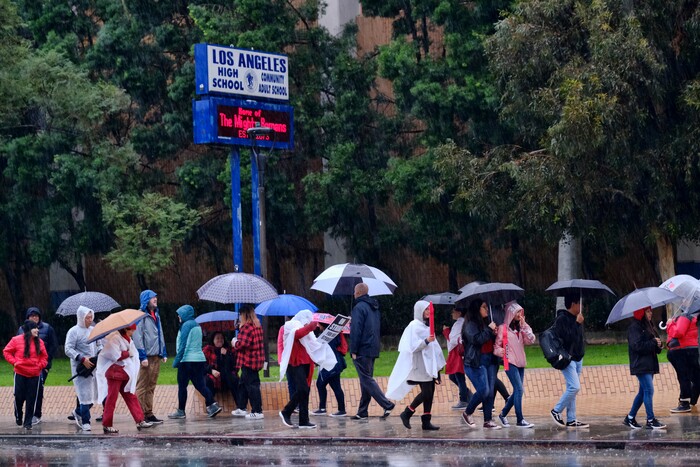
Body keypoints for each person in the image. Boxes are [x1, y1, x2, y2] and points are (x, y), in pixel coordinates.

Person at [389, 300, 445, 430]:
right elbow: (411, 346)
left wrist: (438, 368)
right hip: (420, 365)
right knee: (426, 393)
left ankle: (426, 420)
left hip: (429, 365)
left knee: (430, 392)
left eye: (428, 309)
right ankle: (407, 412)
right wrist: (426, 341)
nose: (428, 312)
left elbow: (434, 348)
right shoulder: (413, 326)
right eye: (425, 309)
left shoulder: (427, 326)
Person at [278, 310, 336, 429]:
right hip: (295, 362)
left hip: (307, 362)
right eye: (307, 321)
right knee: (302, 389)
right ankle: (286, 411)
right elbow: (297, 334)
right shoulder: (289, 326)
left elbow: (314, 344)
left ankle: (304, 420)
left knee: (305, 391)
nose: (307, 324)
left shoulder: (307, 330)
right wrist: (311, 326)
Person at [95, 324, 154, 434]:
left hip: (124, 372)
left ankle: (140, 420)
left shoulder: (126, 338)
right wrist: (128, 353)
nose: (133, 333)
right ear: (126, 330)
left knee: (131, 396)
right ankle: (107, 424)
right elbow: (114, 355)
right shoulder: (115, 338)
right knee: (112, 399)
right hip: (114, 373)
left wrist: (129, 353)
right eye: (132, 330)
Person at [167, 305, 222, 419]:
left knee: (182, 386)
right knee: (200, 385)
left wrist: (177, 361)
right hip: (199, 360)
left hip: (187, 360)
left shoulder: (186, 325)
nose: (178, 316)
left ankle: (181, 411)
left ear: (185, 314)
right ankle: (212, 404)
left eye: (180, 314)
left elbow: (183, 345)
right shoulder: (196, 325)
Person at [350, 282, 395, 420]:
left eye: (354, 291)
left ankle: (387, 404)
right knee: (366, 379)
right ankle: (362, 411)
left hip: (362, 348)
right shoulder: (374, 307)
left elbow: (356, 330)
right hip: (372, 347)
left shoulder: (359, 308)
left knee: (366, 379)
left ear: (357, 293)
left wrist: (353, 349)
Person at [623, 307, 666, 429]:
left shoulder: (649, 326)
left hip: (649, 364)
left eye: (651, 311)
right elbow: (637, 346)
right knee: (649, 391)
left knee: (643, 392)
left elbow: (653, 344)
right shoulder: (634, 327)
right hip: (640, 364)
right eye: (648, 311)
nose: (651, 313)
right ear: (641, 312)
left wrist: (658, 345)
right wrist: (653, 343)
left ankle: (630, 418)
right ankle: (650, 420)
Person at [494, 301, 536, 428]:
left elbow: (531, 340)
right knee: (519, 389)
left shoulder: (521, 327)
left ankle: (503, 414)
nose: (519, 314)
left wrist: (525, 327)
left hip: (521, 363)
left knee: (517, 390)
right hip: (510, 362)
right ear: (510, 313)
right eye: (517, 312)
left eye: (520, 312)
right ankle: (520, 419)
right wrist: (501, 352)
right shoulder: (503, 328)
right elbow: (496, 347)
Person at [550, 293, 588, 428]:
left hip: (578, 358)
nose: (581, 306)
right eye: (579, 303)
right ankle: (556, 410)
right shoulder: (562, 319)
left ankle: (571, 419)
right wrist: (577, 324)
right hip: (568, 359)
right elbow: (566, 338)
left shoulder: (577, 318)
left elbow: (579, 339)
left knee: (572, 388)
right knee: (574, 387)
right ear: (573, 304)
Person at [461, 299, 500, 430]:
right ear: (477, 309)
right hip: (476, 361)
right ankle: (467, 412)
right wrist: (489, 330)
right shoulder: (470, 324)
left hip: (490, 359)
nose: (486, 309)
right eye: (484, 307)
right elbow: (476, 340)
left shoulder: (486, 322)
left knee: (490, 392)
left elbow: (488, 339)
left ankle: (488, 420)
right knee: (484, 390)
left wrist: (494, 333)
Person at [3, 320, 48, 430]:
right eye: (35, 328)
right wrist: (14, 362)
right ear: (28, 330)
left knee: (31, 399)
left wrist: (40, 365)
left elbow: (44, 357)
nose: (37, 330)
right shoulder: (16, 340)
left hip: (35, 374)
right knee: (19, 397)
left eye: (38, 328)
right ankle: (18, 415)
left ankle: (28, 423)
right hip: (20, 374)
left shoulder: (40, 342)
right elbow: (6, 351)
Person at [17, 307, 58, 426]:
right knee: (22, 392)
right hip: (23, 367)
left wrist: (45, 365)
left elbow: (52, 346)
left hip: (40, 366)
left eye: (36, 315)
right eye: (32, 316)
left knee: (38, 389)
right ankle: (23, 415)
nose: (34, 318)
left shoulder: (47, 328)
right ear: (27, 317)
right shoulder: (21, 329)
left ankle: (36, 414)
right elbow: (16, 345)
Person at [133, 289, 167, 424]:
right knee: (142, 386)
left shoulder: (156, 315)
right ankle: (140, 415)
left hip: (156, 356)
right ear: (146, 300)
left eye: (156, 297)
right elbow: (137, 337)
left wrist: (163, 352)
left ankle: (149, 412)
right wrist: (142, 356)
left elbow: (161, 334)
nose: (155, 299)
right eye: (153, 298)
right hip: (146, 356)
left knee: (151, 385)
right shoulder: (140, 316)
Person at [64, 305, 101, 431]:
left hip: (94, 368)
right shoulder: (73, 331)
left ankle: (78, 412)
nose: (90, 320)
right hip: (81, 369)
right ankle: (86, 421)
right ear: (81, 318)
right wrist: (81, 358)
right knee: (85, 396)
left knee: (93, 396)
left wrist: (100, 353)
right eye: (87, 318)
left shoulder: (94, 330)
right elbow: (68, 349)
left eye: (91, 317)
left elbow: (99, 344)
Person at [232, 304, 265, 419]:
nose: (240, 317)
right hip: (256, 360)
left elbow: (242, 344)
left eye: (241, 315)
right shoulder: (257, 326)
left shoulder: (247, 328)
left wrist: (235, 342)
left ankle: (257, 411)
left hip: (248, 361)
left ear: (244, 315)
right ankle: (241, 407)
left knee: (252, 386)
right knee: (243, 384)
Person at [311, 322, 349, 417]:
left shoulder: (327, 337)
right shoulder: (334, 335)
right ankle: (340, 409)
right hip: (335, 364)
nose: (318, 326)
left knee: (321, 384)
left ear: (324, 326)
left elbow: (324, 351)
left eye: (319, 325)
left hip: (330, 364)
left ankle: (325, 409)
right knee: (333, 386)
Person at [665, 312, 700, 413]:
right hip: (692, 348)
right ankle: (691, 401)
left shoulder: (685, 316)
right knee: (696, 376)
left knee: (683, 376)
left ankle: (684, 402)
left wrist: (670, 324)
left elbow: (678, 332)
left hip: (681, 349)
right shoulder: (695, 316)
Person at [442, 307, 472, 410]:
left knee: (459, 377)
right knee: (453, 376)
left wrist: (446, 331)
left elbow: (453, 340)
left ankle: (464, 400)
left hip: (457, 353)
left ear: (459, 312)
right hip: (457, 353)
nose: (452, 313)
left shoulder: (460, 323)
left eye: (453, 311)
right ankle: (468, 395)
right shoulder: (461, 322)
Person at [203, 331, 242, 410]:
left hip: (226, 376)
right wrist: (211, 371)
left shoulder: (229, 350)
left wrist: (227, 355)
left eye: (221, 338)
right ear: (213, 340)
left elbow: (235, 365)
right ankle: (210, 405)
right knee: (207, 381)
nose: (220, 340)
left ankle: (241, 406)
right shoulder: (207, 350)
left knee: (234, 379)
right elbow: (202, 366)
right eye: (217, 338)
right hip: (213, 376)